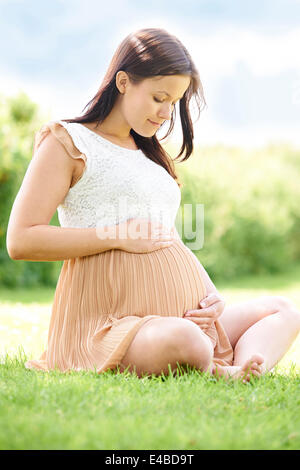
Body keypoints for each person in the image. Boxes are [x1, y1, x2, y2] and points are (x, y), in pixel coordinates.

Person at [6, 28, 300, 382]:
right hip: (109, 325)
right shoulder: (68, 141)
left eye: (173, 102)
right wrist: (115, 235)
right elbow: (21, 240)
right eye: (159, 97)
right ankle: (215, 365)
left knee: (284, 310)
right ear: (124, 81)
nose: (165, 113)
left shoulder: (150, 155)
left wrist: (211, 295)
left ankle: (245, 369)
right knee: (185, 339)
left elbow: (167, 235)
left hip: (184, 317)